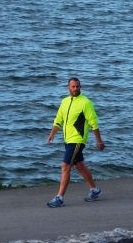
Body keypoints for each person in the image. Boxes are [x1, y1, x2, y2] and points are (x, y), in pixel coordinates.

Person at [45, 77, 105, 208]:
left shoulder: (85, 103)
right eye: (73, 87)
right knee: (79, 166)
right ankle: (94, 190)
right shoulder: (65, 102)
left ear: (80, 87)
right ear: (68, 87)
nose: (76, 89)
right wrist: (52, 134)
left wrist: (99, 141)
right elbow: (58, 119)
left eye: (78, 86)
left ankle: (59, 198)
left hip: (78, 139)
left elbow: (93, 122)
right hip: (67, 139)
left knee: (65, 166)